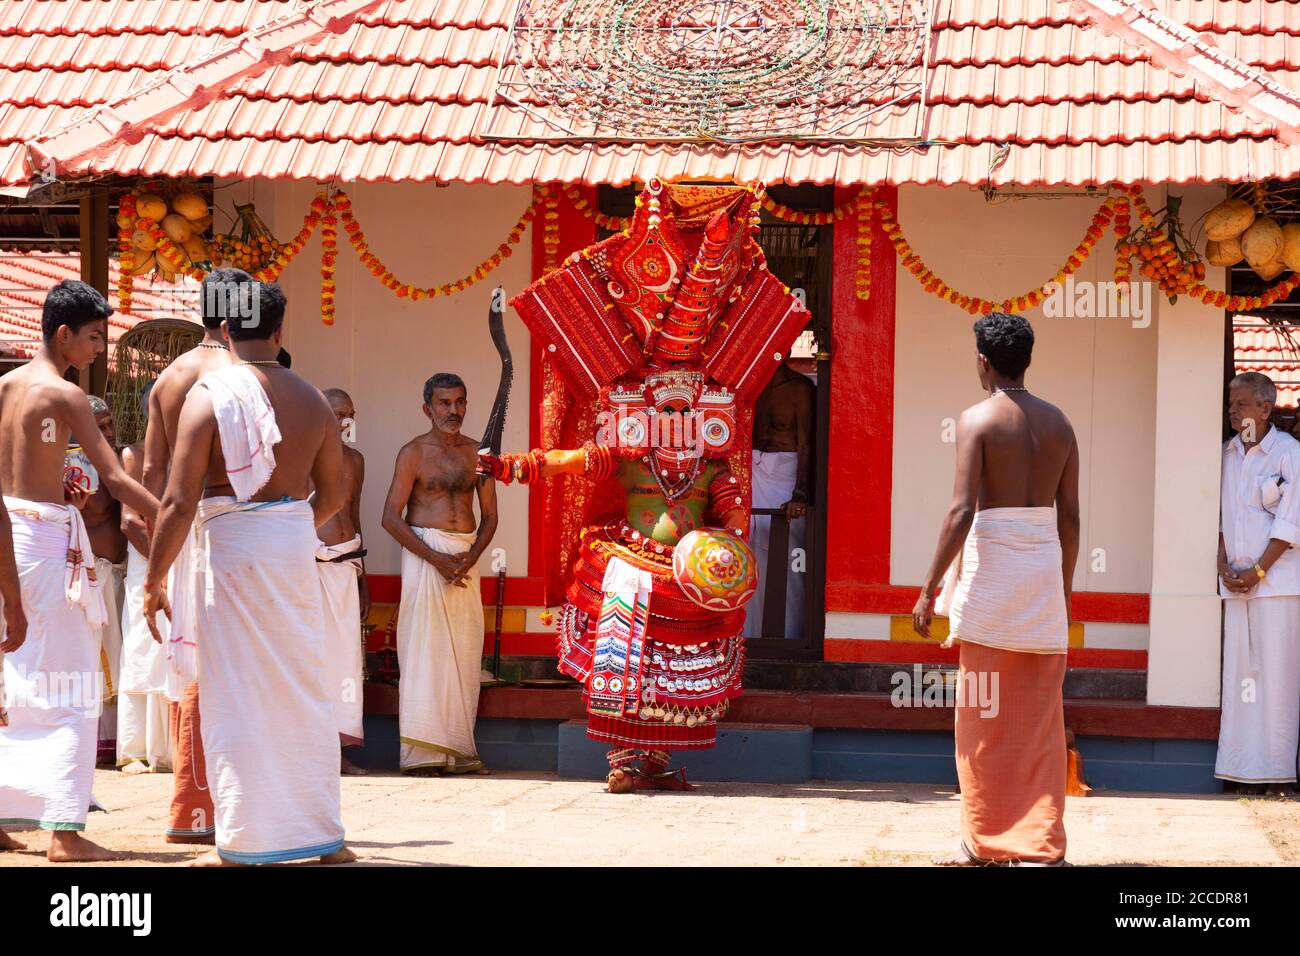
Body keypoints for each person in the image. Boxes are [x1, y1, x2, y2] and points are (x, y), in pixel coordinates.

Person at [143, 277, 353, 866]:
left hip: (231, 547)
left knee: (234, 693)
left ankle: (240, 842)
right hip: (289, 543)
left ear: (226, 329)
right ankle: (324, 837)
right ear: (281, 332)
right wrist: (284, 527)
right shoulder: (313, 399)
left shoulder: (208, 396)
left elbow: (178, 502)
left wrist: (154, 580)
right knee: (303, 690)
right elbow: (335, 494)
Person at [912, 312, 1078, 867]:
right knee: (1039, 722)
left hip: (991, 581)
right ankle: (1041, 844)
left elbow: (961, 511)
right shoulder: (1060, 423)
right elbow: (1071, 520)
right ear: (1026, 359)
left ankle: (982, 842)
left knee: (982, 720)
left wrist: (928, 585)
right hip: (1041, 579)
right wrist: (1065, 589)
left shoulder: (976, 419)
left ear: (983, 360)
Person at [0, 280, 158, 862]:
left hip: (8, 537)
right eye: (94, 338)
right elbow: (114, 479)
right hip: (43, 542)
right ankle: (65, 833)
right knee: (72, 684)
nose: (100, 350)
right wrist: (173, 514)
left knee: (11, 679)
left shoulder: (4, 387)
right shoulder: (64, 396)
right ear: (64, 334)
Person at [142, 269, 235, 843]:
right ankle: (216, 806)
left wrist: (158, 561)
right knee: (224, 665)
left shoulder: (168, 379)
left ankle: (190, 808)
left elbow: (154, 478)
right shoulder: (237, 374)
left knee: (192, 664)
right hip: (228, 527)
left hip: (178, 529)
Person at [382, 372, 497, 775]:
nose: (454, 411)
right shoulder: (413, 452)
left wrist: (470, 557)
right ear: (427, 408)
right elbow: (390, 519)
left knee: (464, 652)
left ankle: (459, 751)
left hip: (465, 561)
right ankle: (424, 757)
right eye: (445, 404)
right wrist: (435, 558)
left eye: (460, 402)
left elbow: (491, 516)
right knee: (424, 652)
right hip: (426, 560)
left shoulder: (477, 453)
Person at [1216, 372, 1300, 794]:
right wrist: (1222, 566)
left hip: (1278, 587)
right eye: (1231, 403)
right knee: (1240, 678)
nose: (1233, 410)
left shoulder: (1288, 453)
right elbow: (1218, 519)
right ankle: (1241, 772)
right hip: (1235, 585)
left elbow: (1290, 523)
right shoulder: (1227, 454)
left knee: (1277, 681)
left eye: (1242, 403)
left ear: (1266, 408)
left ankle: (1277, 776)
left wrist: (1259, 571)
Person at [116, 381, 172, 774]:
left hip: (180, 563)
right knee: (142, 649)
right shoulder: (132, 455)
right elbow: (129, 523)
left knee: (175, 651)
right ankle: (134, 749)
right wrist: (161, 564)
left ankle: (170, 751)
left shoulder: (190, 455)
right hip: (146, 564)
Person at [315, 387, 370, 775]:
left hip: (348, 568)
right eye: (336, 413)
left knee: (346, 661)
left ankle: (337, 750)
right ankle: (311, 750)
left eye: (348, 413)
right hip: (312, 568)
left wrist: (363, 579)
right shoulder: (300, 456)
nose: (344, 420)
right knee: (313, 659)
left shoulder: (355, 460)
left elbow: (356, 514)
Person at [744, 356, 814, 640]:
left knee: (787, 552)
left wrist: (800, 493)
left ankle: (788, 635)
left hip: (785, 476)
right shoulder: (749, 387)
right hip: (752, 473)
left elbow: (806, 443)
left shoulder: (800, 389)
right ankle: (749, 633)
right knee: (747, 548)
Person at [79, 395, 128, 762]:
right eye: (100, 426)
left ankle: (113, 741)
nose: (109, 432)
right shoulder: (72, 466)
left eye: (109, 424)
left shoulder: (120, 460)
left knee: (119, 656)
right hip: (94, 576)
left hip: (122, 573)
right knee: (96, 658)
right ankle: (92, 741)